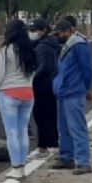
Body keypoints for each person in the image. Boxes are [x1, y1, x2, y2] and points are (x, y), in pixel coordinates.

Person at [0, 19, 37, 180]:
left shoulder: (5, 50)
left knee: (11, 132)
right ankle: (23, 165)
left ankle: (16, 167)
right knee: (23, 130)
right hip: (28, 93)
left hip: (9, 93)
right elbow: (32, 73)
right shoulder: (30, 49)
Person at [51, 20, 92, 175]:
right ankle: (66, 157)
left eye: (61, 33)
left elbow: (88, 70)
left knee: (77, 127)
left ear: (69, 31)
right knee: (64, 128)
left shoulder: (79, 46)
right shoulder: (68, 45)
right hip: (64, 92)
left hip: (74, 92)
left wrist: (85, 89)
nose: (59, 36)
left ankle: (83, 162)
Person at [30, 18, 61, 158]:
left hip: (43, 86)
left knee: (43, 116)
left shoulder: (44, 47)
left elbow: (44, 68)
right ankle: (48, 145)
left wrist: (31, 80)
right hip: (50, 85)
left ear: (43, 30)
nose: (33, 33)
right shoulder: (48, 44)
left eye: (35, 30)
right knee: (47, 115)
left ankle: (48, 146)